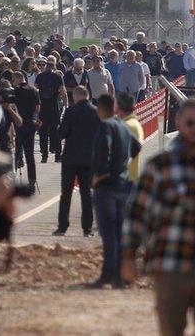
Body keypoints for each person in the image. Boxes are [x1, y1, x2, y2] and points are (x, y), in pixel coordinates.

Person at [122, 99, 195, 336]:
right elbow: (137, 212)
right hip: (170, 262)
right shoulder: (160, 165)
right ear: (178, 123)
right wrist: (128, 256)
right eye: (189, 123)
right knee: (172, 329)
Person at [87, 93, 140, 288]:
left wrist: (99, 174)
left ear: (100, 109)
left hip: (106, 186)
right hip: (123, 185)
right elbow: (137, 148)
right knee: (119, 233)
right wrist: (122, 165)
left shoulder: (106, 126)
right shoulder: (123, 126)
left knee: (108, 234)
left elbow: (105, 148)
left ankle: (108, 276)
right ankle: (118, 277)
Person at [54, 86, 100, 237]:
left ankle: (62, 226)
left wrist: (58, 130)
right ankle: (87, 228)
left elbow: (62, 133)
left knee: (66, 193)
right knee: (86, 194)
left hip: (71, 158)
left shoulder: (71, 111)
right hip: (89, 158)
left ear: (76, 96)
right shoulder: (96, 111)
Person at [34, 56, 67, 163]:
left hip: (43, 107)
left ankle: (44, 155)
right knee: (56, 130)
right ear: (54, 66)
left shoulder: (40, 76)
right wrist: (65, 106)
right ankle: (57, 155)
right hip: (54, 107)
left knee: (43, 132)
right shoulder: (58, 76)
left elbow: (35, 90)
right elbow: (63, 92)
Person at [115, 92, 145, 183]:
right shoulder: (134, 124)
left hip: (124, 179)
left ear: (118, 107)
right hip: (130, 176)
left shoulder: (126, 126)